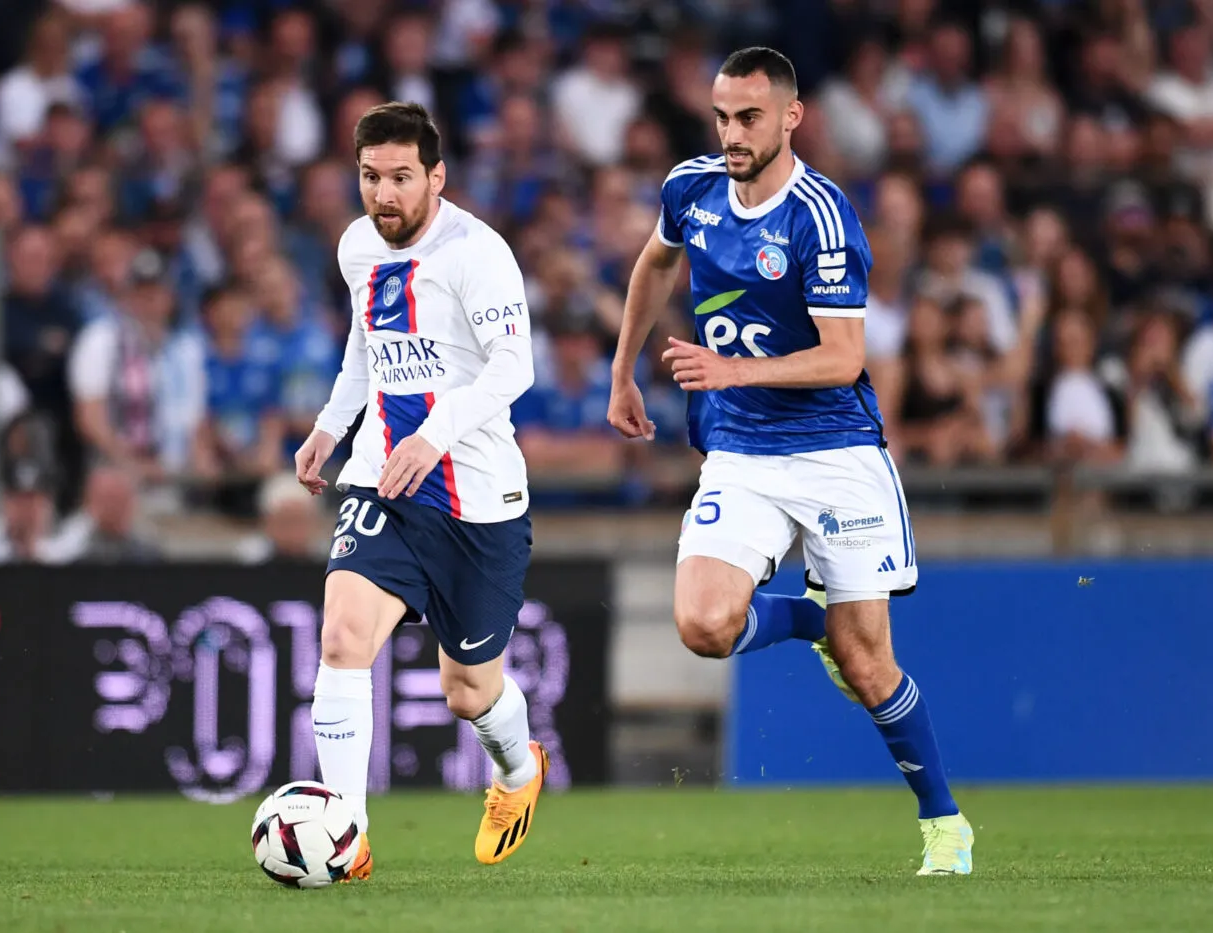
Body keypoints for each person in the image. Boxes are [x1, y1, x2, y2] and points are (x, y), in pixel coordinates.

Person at [606, 47, 974, 876]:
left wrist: (733, 367)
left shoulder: (823, 215)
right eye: (721, 117)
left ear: (790, 118)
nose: (731, 134)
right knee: (703, 624)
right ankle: (810, 620)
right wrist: (622, 368)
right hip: (741, 451)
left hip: (836, 453)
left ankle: (944, 820)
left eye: (748, 118)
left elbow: (844, 356)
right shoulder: (691, 187)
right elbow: (656, 261)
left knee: (870, 662)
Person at [293, 102, 544, 880]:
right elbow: (368, 344)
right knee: (341, 638)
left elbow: (514, 367)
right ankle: (347, 836)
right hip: (382, 479)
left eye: (402, 177)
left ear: (436, 176)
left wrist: (436, 431)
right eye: (371, 177)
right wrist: (333, 426)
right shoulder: (357, 246)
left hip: (474, 495)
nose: (384, 194)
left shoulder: (478, 252)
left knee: (468, 691)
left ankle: (517, 772)